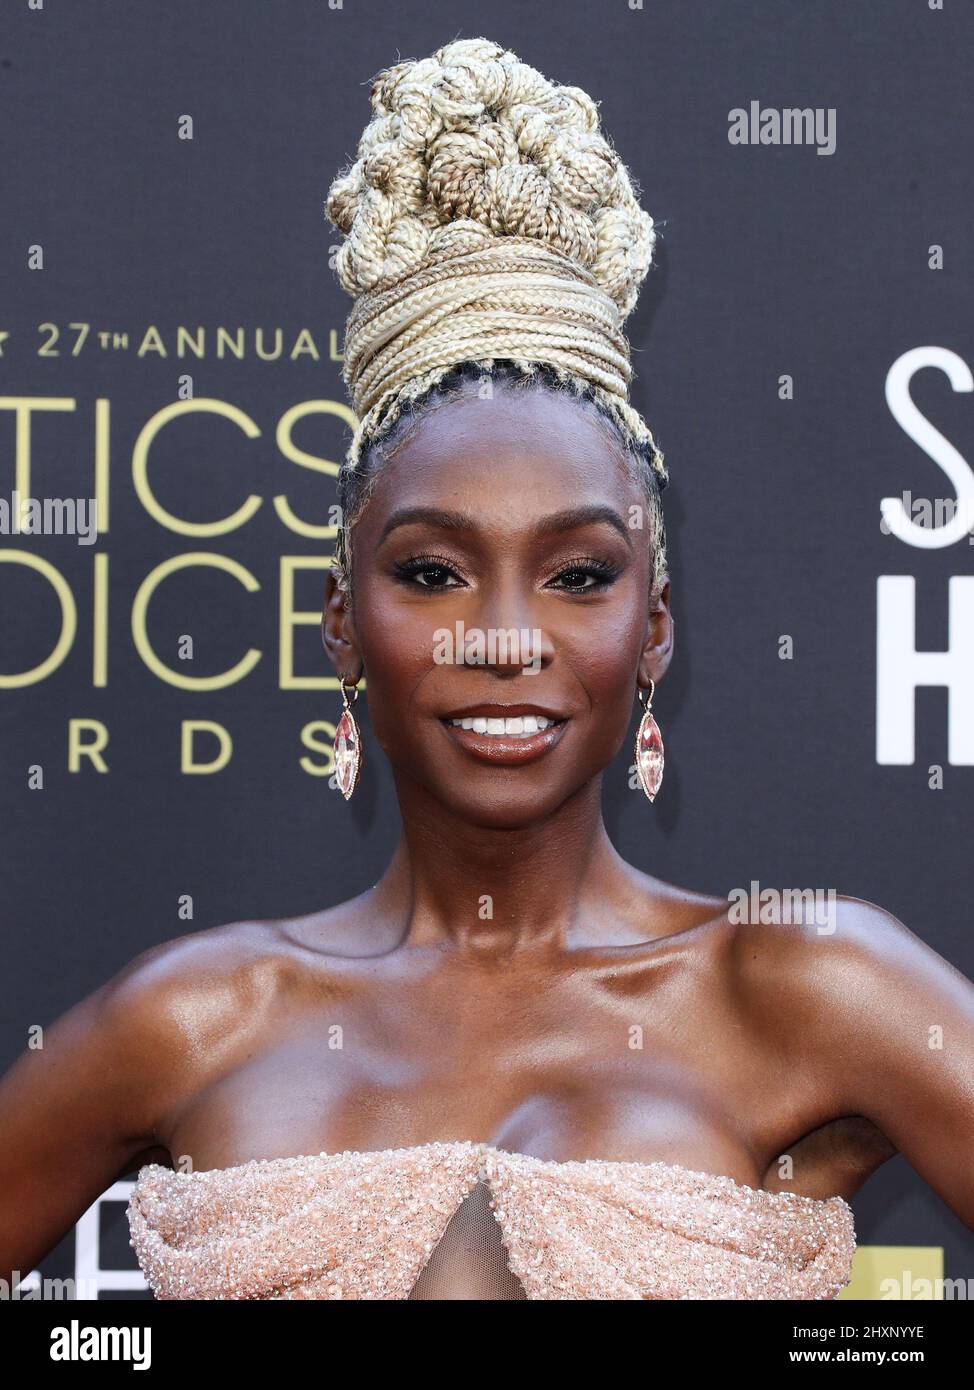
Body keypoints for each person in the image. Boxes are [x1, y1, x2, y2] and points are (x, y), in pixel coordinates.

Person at [2, 36, 973, 1301]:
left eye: (576, 574)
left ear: (655, 629)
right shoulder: (201, 1011)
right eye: (430, 572)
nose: (505, 637)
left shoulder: (803, 979)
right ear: (340, 625)